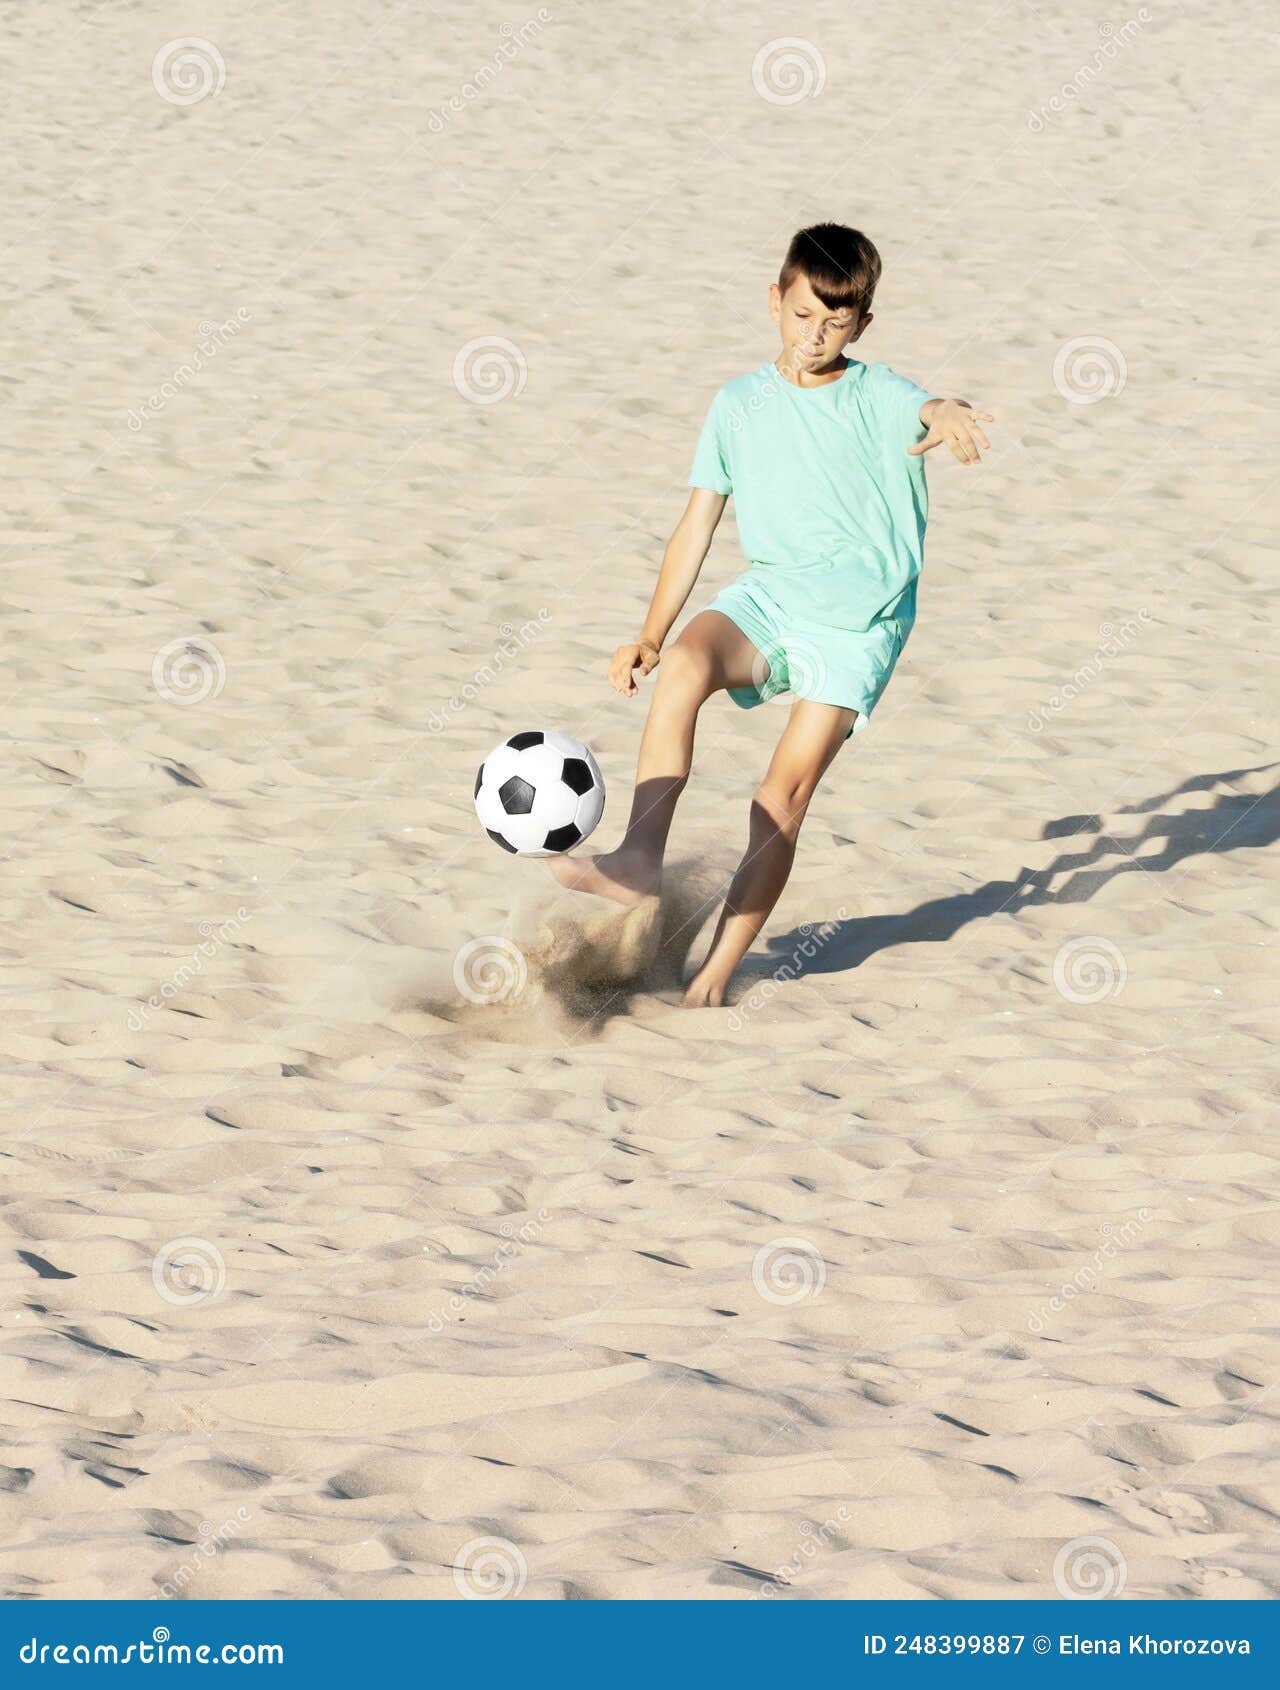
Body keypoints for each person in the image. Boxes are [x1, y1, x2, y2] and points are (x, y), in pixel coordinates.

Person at [550, 222, 994, 1007]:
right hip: (774, 595)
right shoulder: (738, 404)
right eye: (801, 314)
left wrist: (949, 411)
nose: (816, 334)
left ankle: (716, 973)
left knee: (778, 799)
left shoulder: (877, 393)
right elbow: (697, 525)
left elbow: (925, 407)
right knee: (686, 665)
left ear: (862, 323)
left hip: (860, 623)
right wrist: (651, 632)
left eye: (836, 319)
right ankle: (638, 859)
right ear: (773, 302)